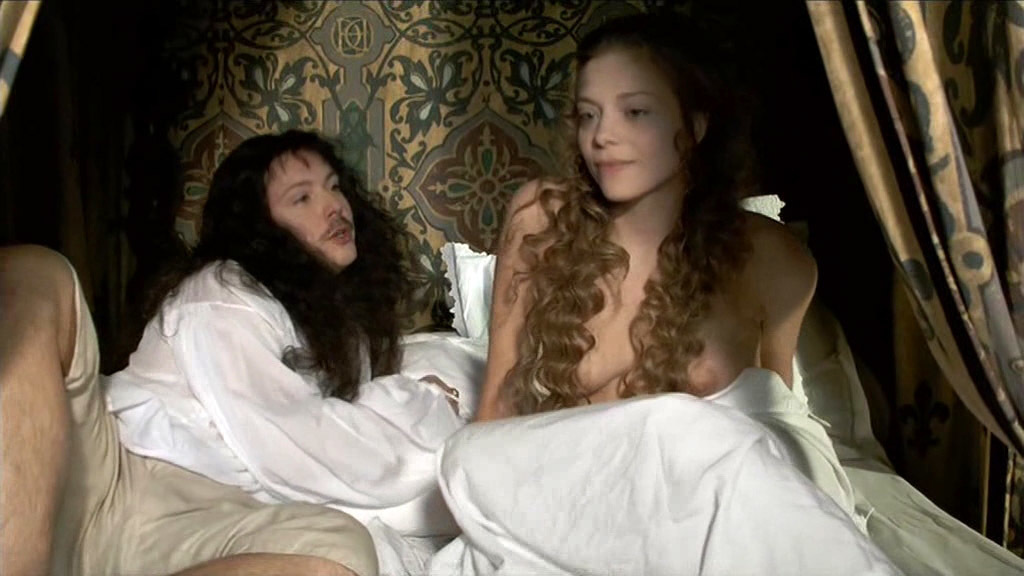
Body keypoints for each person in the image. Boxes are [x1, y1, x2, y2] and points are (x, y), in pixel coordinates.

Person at [1, 130, 463, 576]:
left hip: (196, 518)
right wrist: (419, 403)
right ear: (260, 226)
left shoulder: (338, 326)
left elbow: (333, 453)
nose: (334, 207)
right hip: (112, 482)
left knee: (341, 553)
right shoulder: (223, 292)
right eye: (302, 198)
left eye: (335, 187)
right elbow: (296, 447)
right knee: (38, 273)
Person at [477, 11, 816, 419]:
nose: (602, 136)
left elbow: (779, 422)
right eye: (589, 115)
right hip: (565, 458)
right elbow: (495, 409)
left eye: (635, 112)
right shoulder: (541, 219)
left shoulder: (771, 258)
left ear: (695, 125)